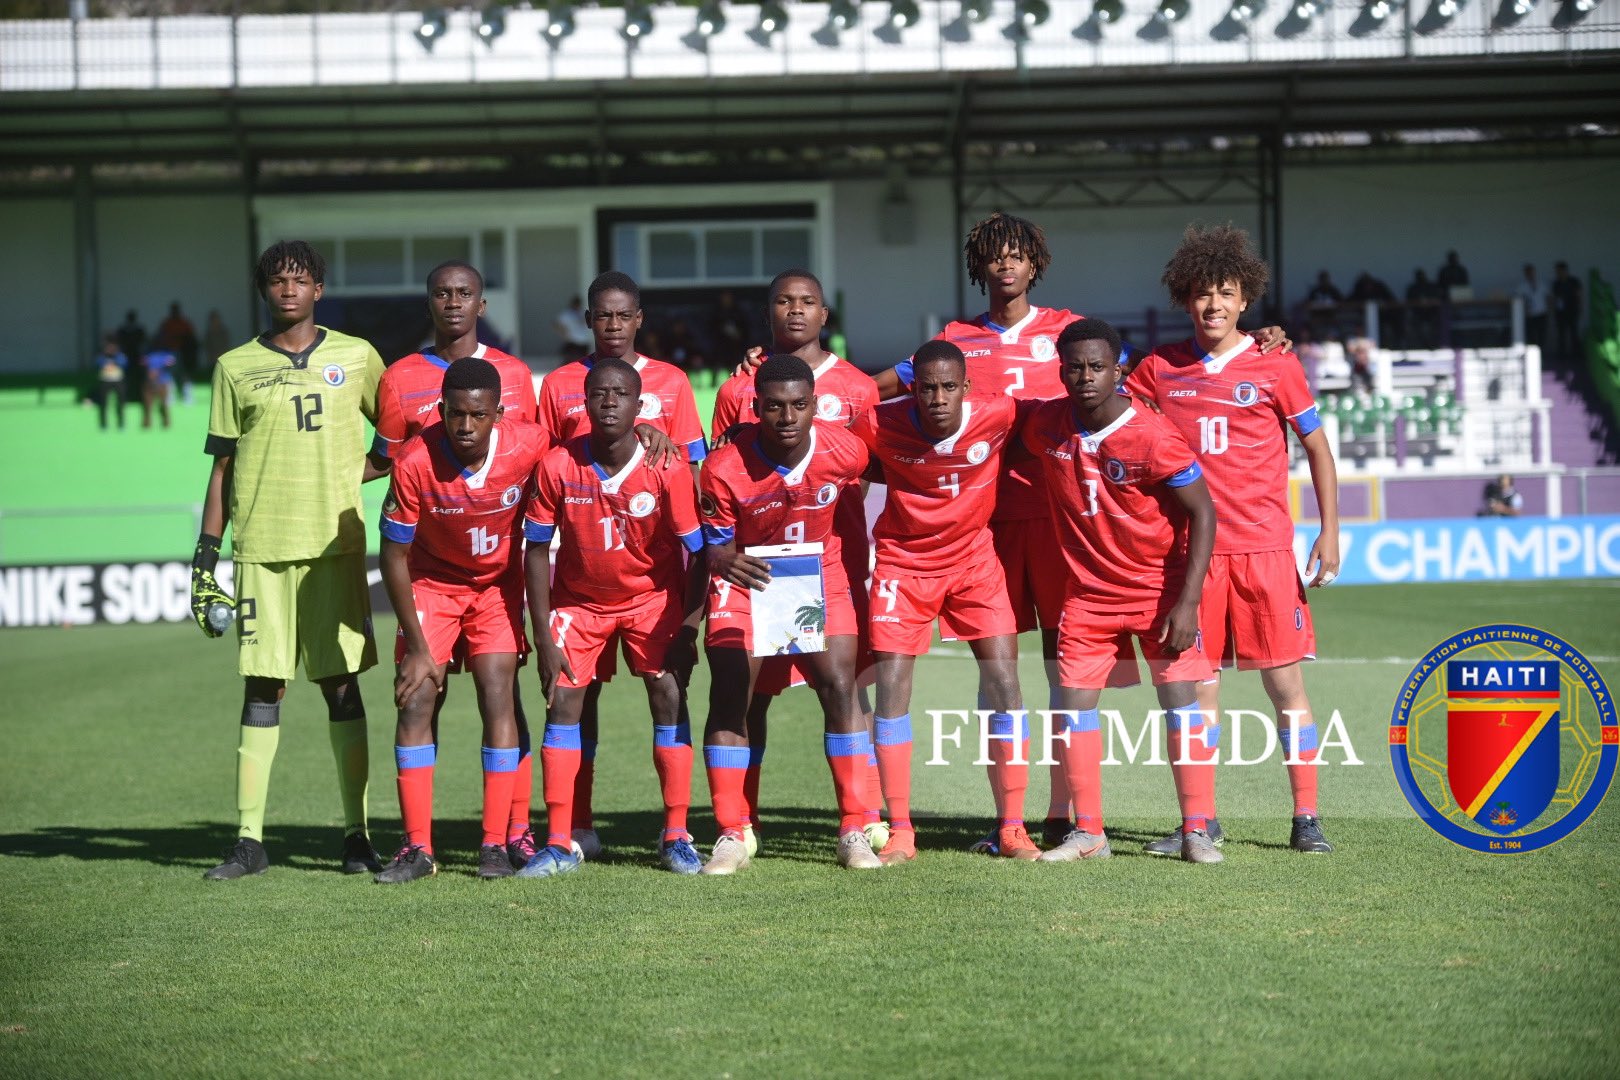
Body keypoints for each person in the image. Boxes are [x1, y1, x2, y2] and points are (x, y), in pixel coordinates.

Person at [1127, 223, 1340, 856]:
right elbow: (1111, 423)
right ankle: (1201, 820)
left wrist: (1330, 532)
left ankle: (1307, 818)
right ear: (1184, 301)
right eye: (1200, 293)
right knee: (1197, 695)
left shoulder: (1277, 364)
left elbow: (1319, 451)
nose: (1212, 304)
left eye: (1225, 292)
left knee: (1286, 690)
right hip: (1192, 559)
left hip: (1266, 553)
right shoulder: (1158, 370)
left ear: (1245, 299)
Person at [188, 240, 384, 880]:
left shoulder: (356, 357)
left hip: (335, 546)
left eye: (300, 280)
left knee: (341, 686)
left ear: (319, 289)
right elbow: (223, 466)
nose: (289, 290)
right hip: (262, 549)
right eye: (278, 281)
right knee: (263, 687)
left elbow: (400, 430)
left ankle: (356, 836)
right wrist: (204, 559)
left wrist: (359, 475)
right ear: (264, 290)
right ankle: (249, 840)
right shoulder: (234, 366)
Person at [1024, 318, 1220, 864]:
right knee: (1074, 709)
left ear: (1118, 371)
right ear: (1060, 371)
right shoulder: (1047, 424)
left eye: (1096, 367)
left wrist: (1187, 602)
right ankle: (1089, 833)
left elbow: (1203, 511)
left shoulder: (1153, 435)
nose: (1085, 377)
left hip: (1159, 593)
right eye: (1074, 367)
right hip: (1087, 597)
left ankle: (1197, 830)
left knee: (1180, 705)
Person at [370, 259, 542, 868]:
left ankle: (504, 837)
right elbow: (380, 460)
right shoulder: (404, 395)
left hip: (498, 580)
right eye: (442, 293)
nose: (453, 302)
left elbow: (561, 457)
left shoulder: (518, 383)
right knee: (418, 697)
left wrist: (649, 436)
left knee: (502, 693)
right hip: (432, 580)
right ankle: (417, 845)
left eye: (464, 292)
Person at [710, 269, 880, 857]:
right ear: (754, 407)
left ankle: (855, 825)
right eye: (774, 407)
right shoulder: (727, 458)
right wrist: (721, 559)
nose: (786, 417)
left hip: (820, 569)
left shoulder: (846, 445)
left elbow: (899, 467)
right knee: (737, 693)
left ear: (815, 406)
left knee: (839, 686)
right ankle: (735, 830)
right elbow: (715, 537)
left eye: (799, 406)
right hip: (750, 574)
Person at [534, 269, 702, 861]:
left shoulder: (674, 384)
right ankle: (573, 829)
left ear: (639, 319)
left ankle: (676, 832)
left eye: (622, 315)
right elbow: (547, 461)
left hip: (651, 572)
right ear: (587, 320)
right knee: (578, 701)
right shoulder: (557, 385)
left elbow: (692, 472)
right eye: (600, 315)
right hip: (581, 577)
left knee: (667, 694)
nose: (611, 325)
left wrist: (665, 449)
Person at [849, 340, 1025, 864]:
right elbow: (836, 452)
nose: (938, 397)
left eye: (949, 386)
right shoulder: (879, 423)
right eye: (927, 387)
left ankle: (1012, 828)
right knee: (892, 690)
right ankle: (901, 828)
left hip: (975, 564)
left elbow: (1066, 412)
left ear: (967, 388)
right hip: (904, 565)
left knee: (1006, 684)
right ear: (914, 388)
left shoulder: (1000, 412)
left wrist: (1134, 392)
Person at [157, 301, 199, 401]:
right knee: (169, 374)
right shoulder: (167, 324)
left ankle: (187, 396)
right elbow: (161, 337)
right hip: (170, 352)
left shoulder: (184, 323)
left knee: (185, 374)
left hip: (184, 354)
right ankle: (170, 396)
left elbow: (192, 338)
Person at [708, 289, 749, 387]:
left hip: (734, 346)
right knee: (717, 366)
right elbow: (710, 328)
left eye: (728, 297)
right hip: (719, 345)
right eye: (724, 297)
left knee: (733, 367)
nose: (726, 299)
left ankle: (733, 385)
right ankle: (713, 385)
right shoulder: (716, 312)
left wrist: (737, 334)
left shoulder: (738, 312)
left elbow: (745, 329)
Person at [1551, 261, 1583, 364]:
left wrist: (1580, 307)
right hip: (1560, 312)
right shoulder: (1556, 283)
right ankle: (1562, 355)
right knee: (1561, 334)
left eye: (1560, 271)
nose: (1558, 273)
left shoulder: (1574, 281)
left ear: (1565, 270)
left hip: (1572, 310)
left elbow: (1579, 295)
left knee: (1574, 332)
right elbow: (1555, 298)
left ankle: (1576, 354)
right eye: (1557, 271)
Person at [95, 333, 127, 431]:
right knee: (103, 403)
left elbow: (124, 363)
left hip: (117, 380)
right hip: (105, 380)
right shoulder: (102, 356)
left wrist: (115, 360)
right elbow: (97, 363)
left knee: (120, 402)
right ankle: (103, 424)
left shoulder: (120, 355)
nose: (110, 349)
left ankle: (121, 424)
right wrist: (105, 359)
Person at [140, 344, 176, 429]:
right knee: (148, 404)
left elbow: (171, 362)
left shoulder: (166, 354)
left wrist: (157, 371)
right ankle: (146, 423)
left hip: (162, 382)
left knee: (163, 403)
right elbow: (142, 363)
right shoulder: (148, 355)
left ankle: (165, 422)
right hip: (150, 382)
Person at [1405, 269, 1443, 348]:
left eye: (1422, 275)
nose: (1421, 278)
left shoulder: (1432, 286)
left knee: (1436, 324)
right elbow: (1409, 301)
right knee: (1417, 327)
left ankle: (1434, 345)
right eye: (1419, 276)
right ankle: (1421, 346)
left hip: (1432, 312)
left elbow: (1438, 299)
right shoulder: (1413, 288)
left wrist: (1428, 303)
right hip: (1417, 313)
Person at [1515, 265, 1550, 351]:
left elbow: (1548, 298)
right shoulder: (1522, 286)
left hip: (1542, 313)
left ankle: (1542, 352)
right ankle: (1533, 353)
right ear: (1525, 274)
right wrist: (1525, 311)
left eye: (1531, 272)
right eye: (1528, 273)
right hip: (1529, 314)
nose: (1530, 274)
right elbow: (1519, 300)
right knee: (1531, 336)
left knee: (1542, 335)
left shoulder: (1542, 284)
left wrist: (1549, 310)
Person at [553, 295, 591, 362]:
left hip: (583, 341)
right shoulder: (567, 314)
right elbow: (556, 324)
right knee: (571, 361)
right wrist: (564, 334)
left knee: (583, 361)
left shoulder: (582, 312)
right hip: (572, 341)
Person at [203, 310, 231, 375]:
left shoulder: (223, 331)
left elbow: (226, 344)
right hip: (212, 359)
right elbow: (207, 345)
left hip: (223, 358)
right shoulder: (209, 332)